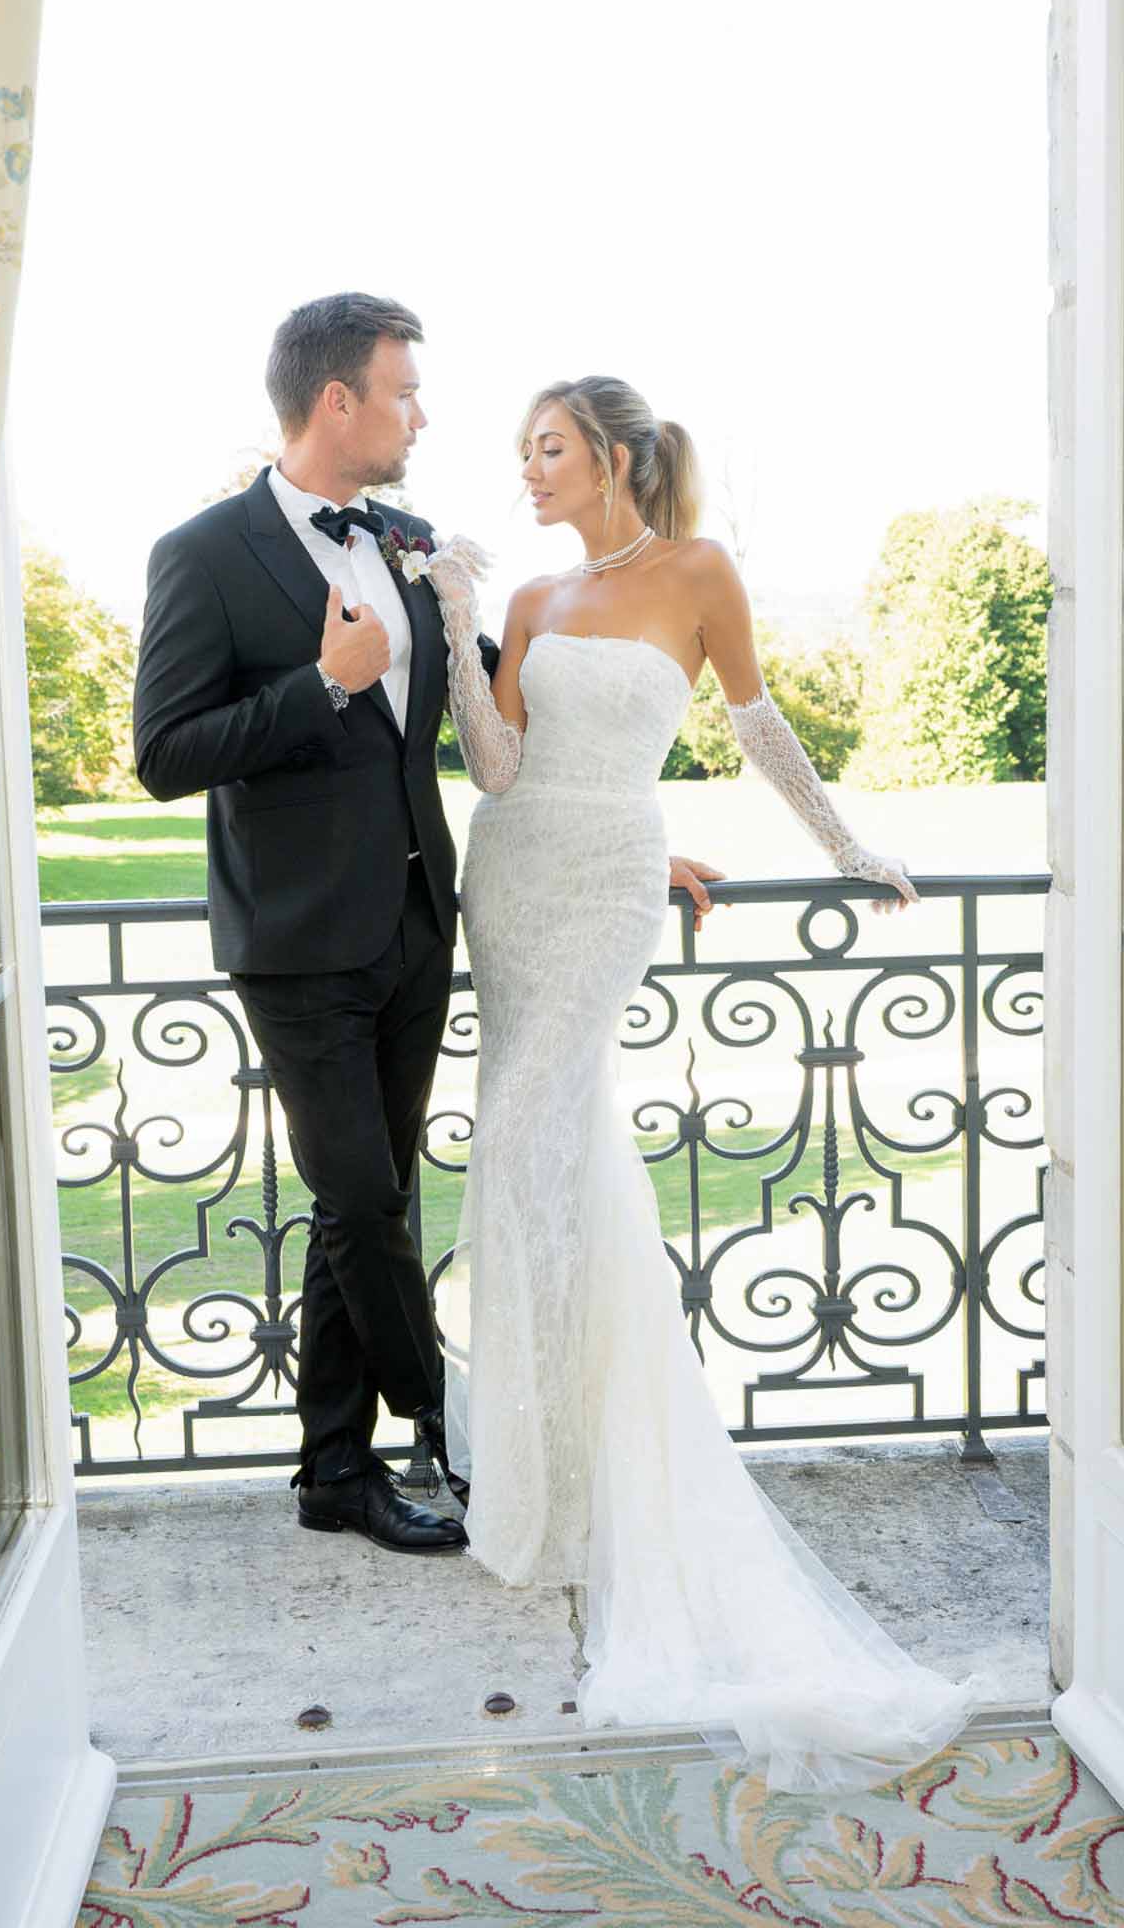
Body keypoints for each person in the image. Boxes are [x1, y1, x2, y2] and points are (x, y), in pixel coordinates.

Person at [423, 374, 987, 1791]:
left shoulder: (700, 569)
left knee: (551, 1143)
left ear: (612, 454)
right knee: (516, 1156)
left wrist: (846, 845)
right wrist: (449, 622)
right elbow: (493, 770)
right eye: (520, 454)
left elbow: (754, 724)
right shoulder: (538, 600)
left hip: (610, 881)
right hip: (515, 882)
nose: (528, 473)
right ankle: (538, 1480)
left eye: (548, 450)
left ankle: (595, 1476)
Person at [132, 298, 720, 1556]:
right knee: (361, 1202)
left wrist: (617, 829)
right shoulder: (203, 553)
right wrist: (318, 688)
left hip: (422, 926)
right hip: (293, 940)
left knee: (371, 1201)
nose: (422, 417)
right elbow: (164, 754)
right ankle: (460, 1430)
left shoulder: (405, 541)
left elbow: (533, 701)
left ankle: (334, 1471)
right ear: (337, 399)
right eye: (405, 393)